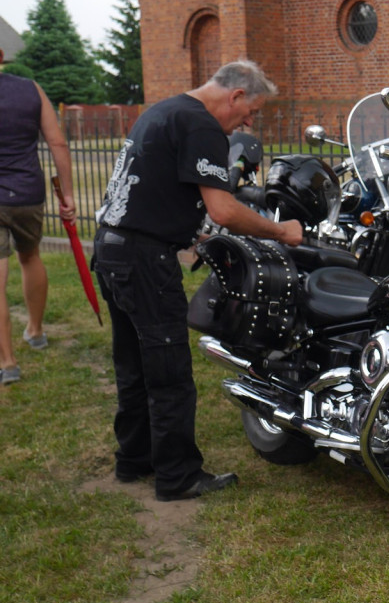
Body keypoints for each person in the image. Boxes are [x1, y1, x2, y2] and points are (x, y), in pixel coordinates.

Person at [92, 60, 303, 501]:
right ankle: (178, 476)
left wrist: (189, 231)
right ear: (236, 95)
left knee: (133, 364)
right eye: (249, 113)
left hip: (112, 249)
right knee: (168, 370)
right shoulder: (200, 124)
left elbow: (155, 190)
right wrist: (283, 231)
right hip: (144, 261)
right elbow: (224, 209)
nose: (247, 123)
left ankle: (134, 459)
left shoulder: (164, 111)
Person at [0, 47, 76, 385]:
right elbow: (57, 143)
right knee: (30, 257)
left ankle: (8, 362)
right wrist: (68, 195)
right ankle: (36, 330)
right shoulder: (31, 89)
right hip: (28, 193)